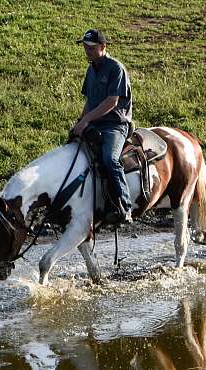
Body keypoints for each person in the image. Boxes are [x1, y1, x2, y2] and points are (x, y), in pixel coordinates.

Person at [73, 29, 133, 224]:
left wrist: (87, 120)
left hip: (115, 125)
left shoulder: (116, 69)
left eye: (91, 47)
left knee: (109, 159)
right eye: (85, 47)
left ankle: (125, 206)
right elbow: (89, 101)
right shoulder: (91, 70)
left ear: (103, 47)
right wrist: (79, 123)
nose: (87, 50)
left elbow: (111, 102)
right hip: (94, 123)